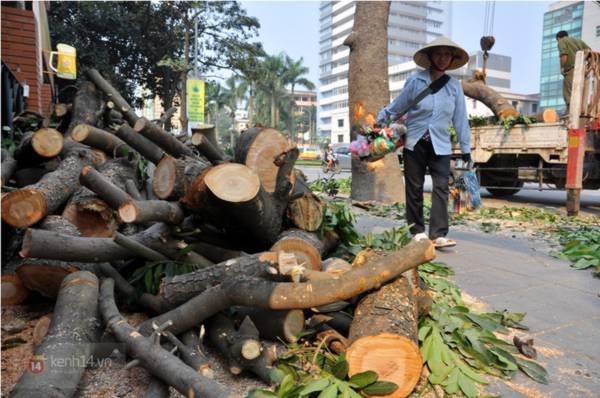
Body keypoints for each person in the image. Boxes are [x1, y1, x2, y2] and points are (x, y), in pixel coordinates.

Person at [377, 37, 471, 248]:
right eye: (438, 53)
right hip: (415, 142)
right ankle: (417, 231)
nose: (442, 58)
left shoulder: (455, 87)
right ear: (429, 57)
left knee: (441, 188)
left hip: (441, 144)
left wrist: (466, 149)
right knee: (414, 187)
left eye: (447, 54)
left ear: (452, 59)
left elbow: (460, 119)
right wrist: (378, 123)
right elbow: (398, 107)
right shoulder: (415, 81)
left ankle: (438, 234)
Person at [556, 31, 590, 110]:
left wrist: (562, 68)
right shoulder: (578, 41)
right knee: (580, 93)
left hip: (571, 70)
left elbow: (564, 55)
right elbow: (589, 52)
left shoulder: (562, 41)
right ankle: (580, 112)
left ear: (558, 38)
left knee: (568, 93)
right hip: (582, 70)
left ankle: (571, 112)